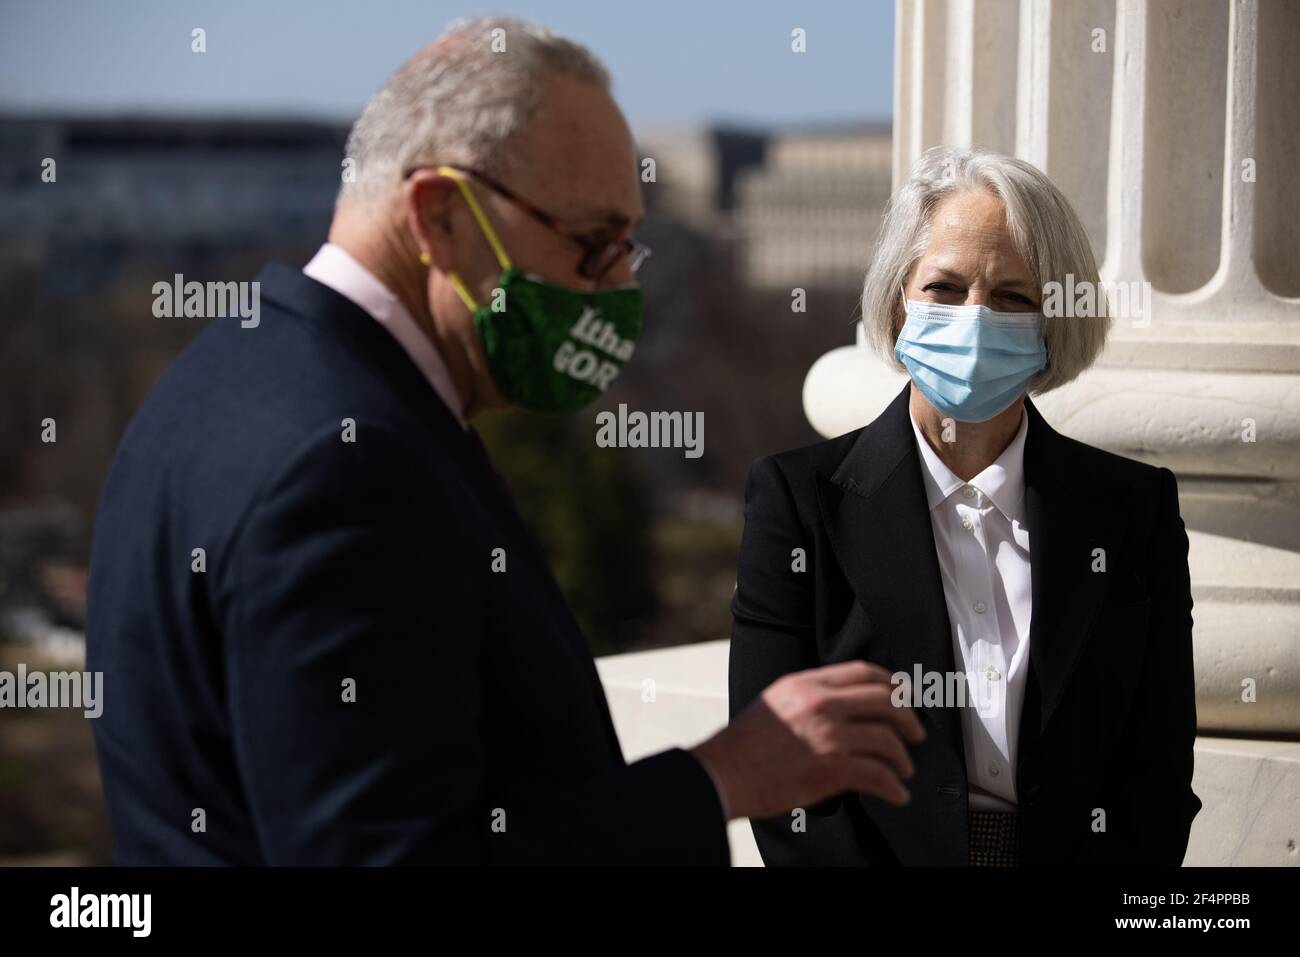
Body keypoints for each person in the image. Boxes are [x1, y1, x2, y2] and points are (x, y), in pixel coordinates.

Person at [85, 17, 923, 865]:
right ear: (440, 215)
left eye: (629, 246)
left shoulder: (227, 374)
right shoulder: (346, 463)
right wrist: (720, 779)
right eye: (593, 243)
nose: (621, 287)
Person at [729, 146, 1201, 866]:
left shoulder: (1132, 513)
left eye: (1012, 296)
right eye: (944, 288)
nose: (975, 319)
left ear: (1054, 320)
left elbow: (1157, 766)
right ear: (897, 302)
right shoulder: (797, 503)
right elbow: (784, 776)